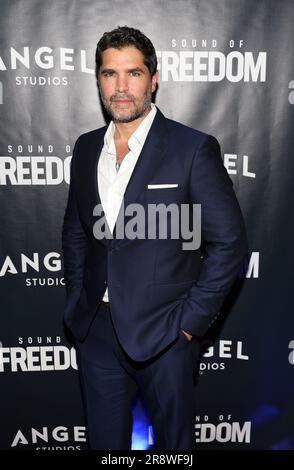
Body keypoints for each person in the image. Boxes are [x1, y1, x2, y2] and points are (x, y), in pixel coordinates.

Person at [62, 26, 247, 450]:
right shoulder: (87, 147)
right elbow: (76, 230)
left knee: (172, 449)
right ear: (98, 80)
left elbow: (230, 242)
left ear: (154, 78)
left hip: (166, 333)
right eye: (110, 74)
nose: (121, 87)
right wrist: (78, 297)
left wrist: (189, 324)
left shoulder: (191, 148)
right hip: (97, 332)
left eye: (133, 73)